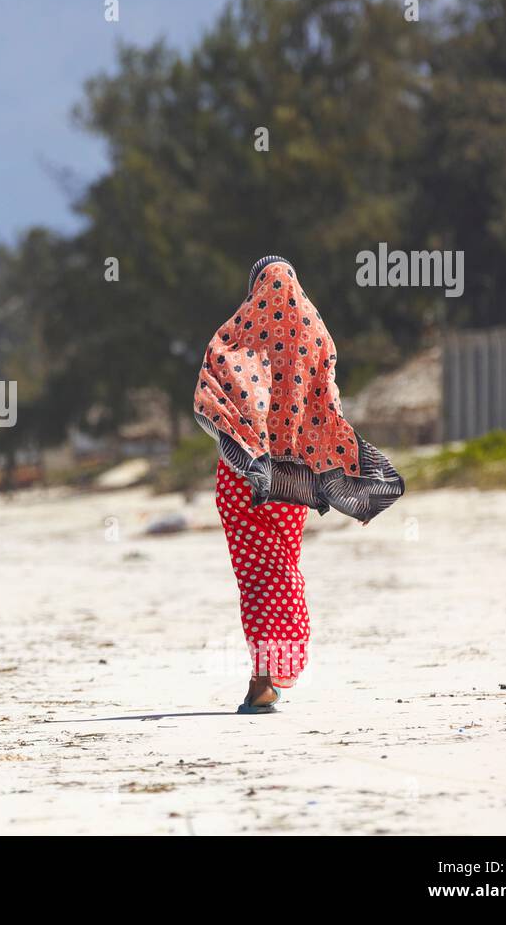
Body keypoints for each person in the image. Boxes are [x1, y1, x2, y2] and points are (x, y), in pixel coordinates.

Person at [194, 256, 405, 713]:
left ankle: (263, 677)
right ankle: (270, 671)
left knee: (256, 575)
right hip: (293, 478)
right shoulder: (316, 337)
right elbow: (327, 406)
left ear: (254, 288)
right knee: (282, 565)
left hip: (242, 476)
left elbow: (216, 395)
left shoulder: (238, 333)